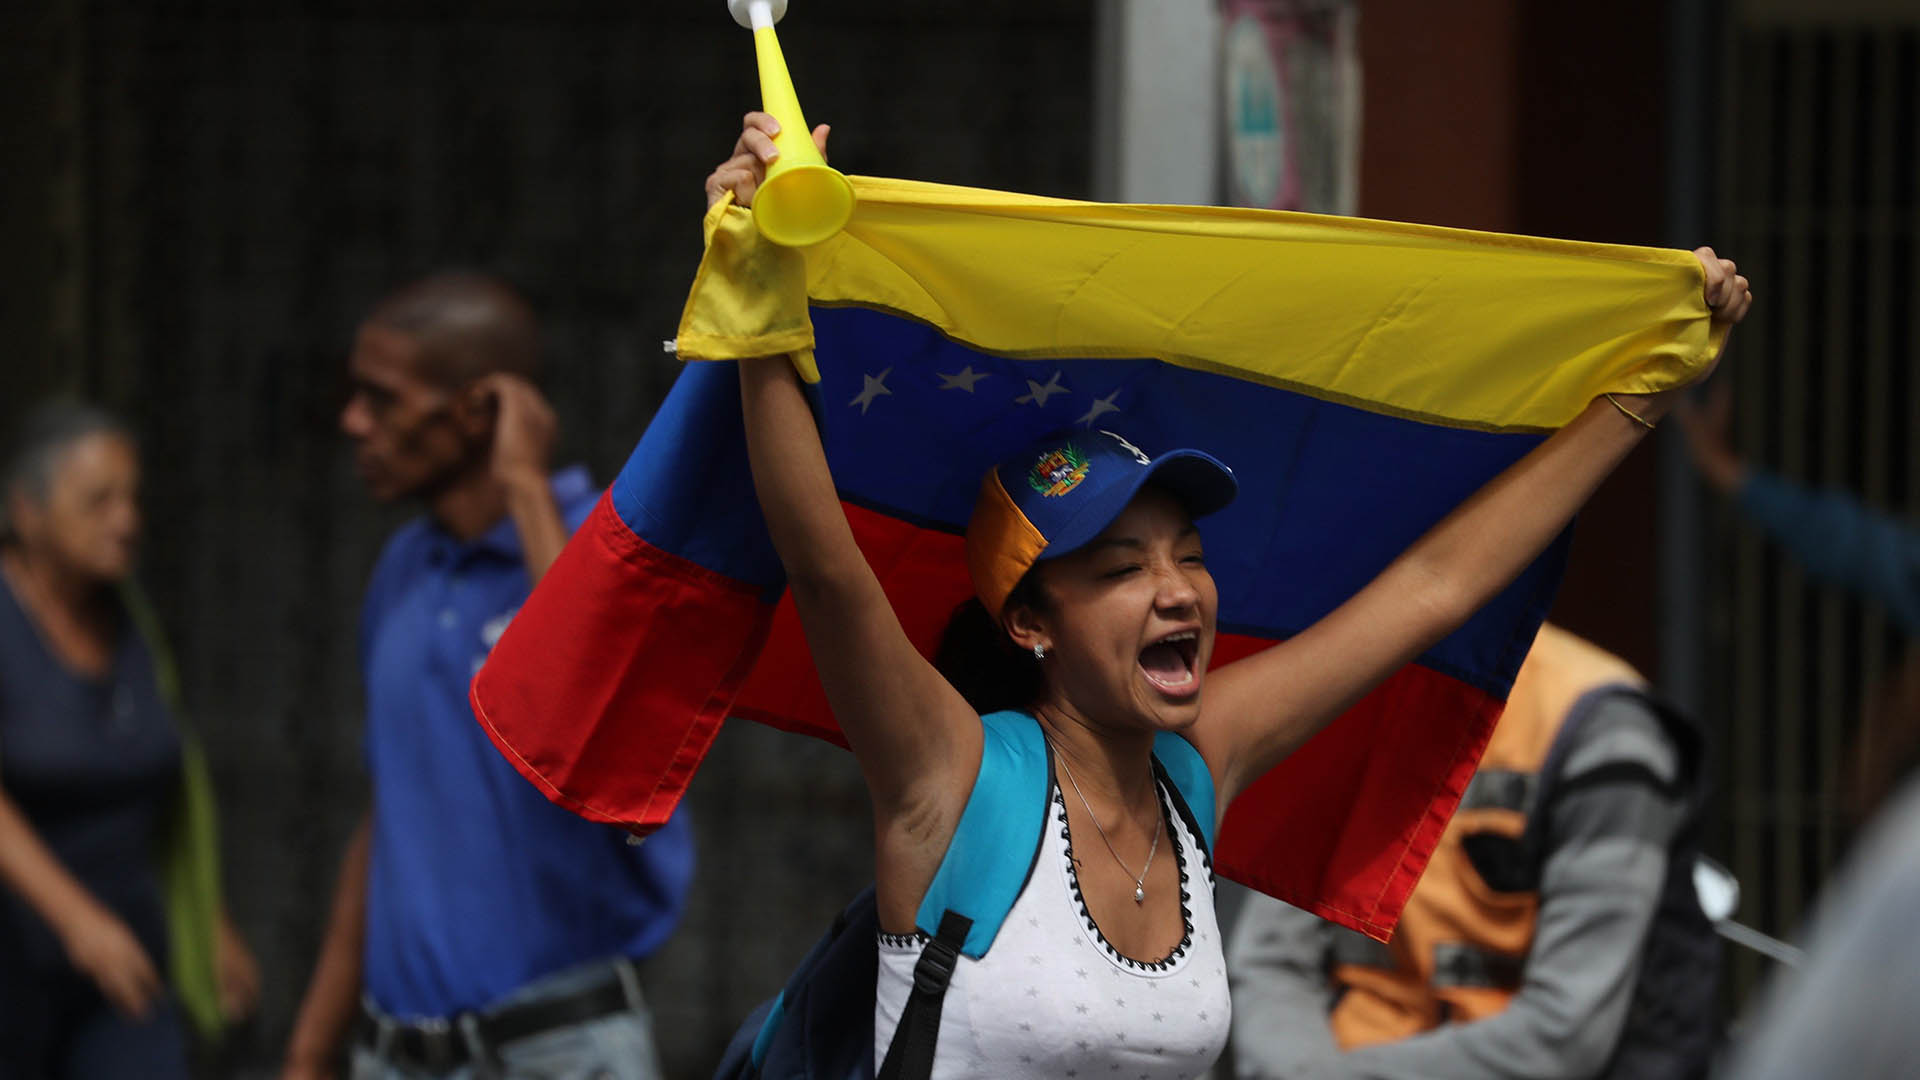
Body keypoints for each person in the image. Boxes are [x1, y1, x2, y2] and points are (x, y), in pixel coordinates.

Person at [705, 113, 1751, 1077]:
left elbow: (1437, 586)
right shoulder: (951, 773)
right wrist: (762, 297)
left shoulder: (1195, 770)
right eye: (1120, 570)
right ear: (1030, 622)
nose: (1176, 592)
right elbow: (824, 560)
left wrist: (1641, 395)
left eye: (1188, 554)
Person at [278, 272, 695, 1080]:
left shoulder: (611, 542)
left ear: (478, 410)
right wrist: (306, 1052)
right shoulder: (405, 566)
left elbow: (603, 714)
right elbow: (388, 816)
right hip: (395, 1054)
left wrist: (522, 488)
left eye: (382, 398)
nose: (352, 422)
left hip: (558, 1049)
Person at [1225, 623, 1714, 1080]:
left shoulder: (1605, 732)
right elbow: (1271, 962)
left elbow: (1565, 1031)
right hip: (1332, 1060)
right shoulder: (1347, 694)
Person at [0, 401, 259, 1079]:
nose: (126, 521)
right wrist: (76, 919)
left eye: (131, 499)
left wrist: (210, 923)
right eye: (98, 501)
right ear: (26, 511)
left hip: (127, 968)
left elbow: (165, 792)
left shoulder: (132, 622)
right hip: (18, 967)